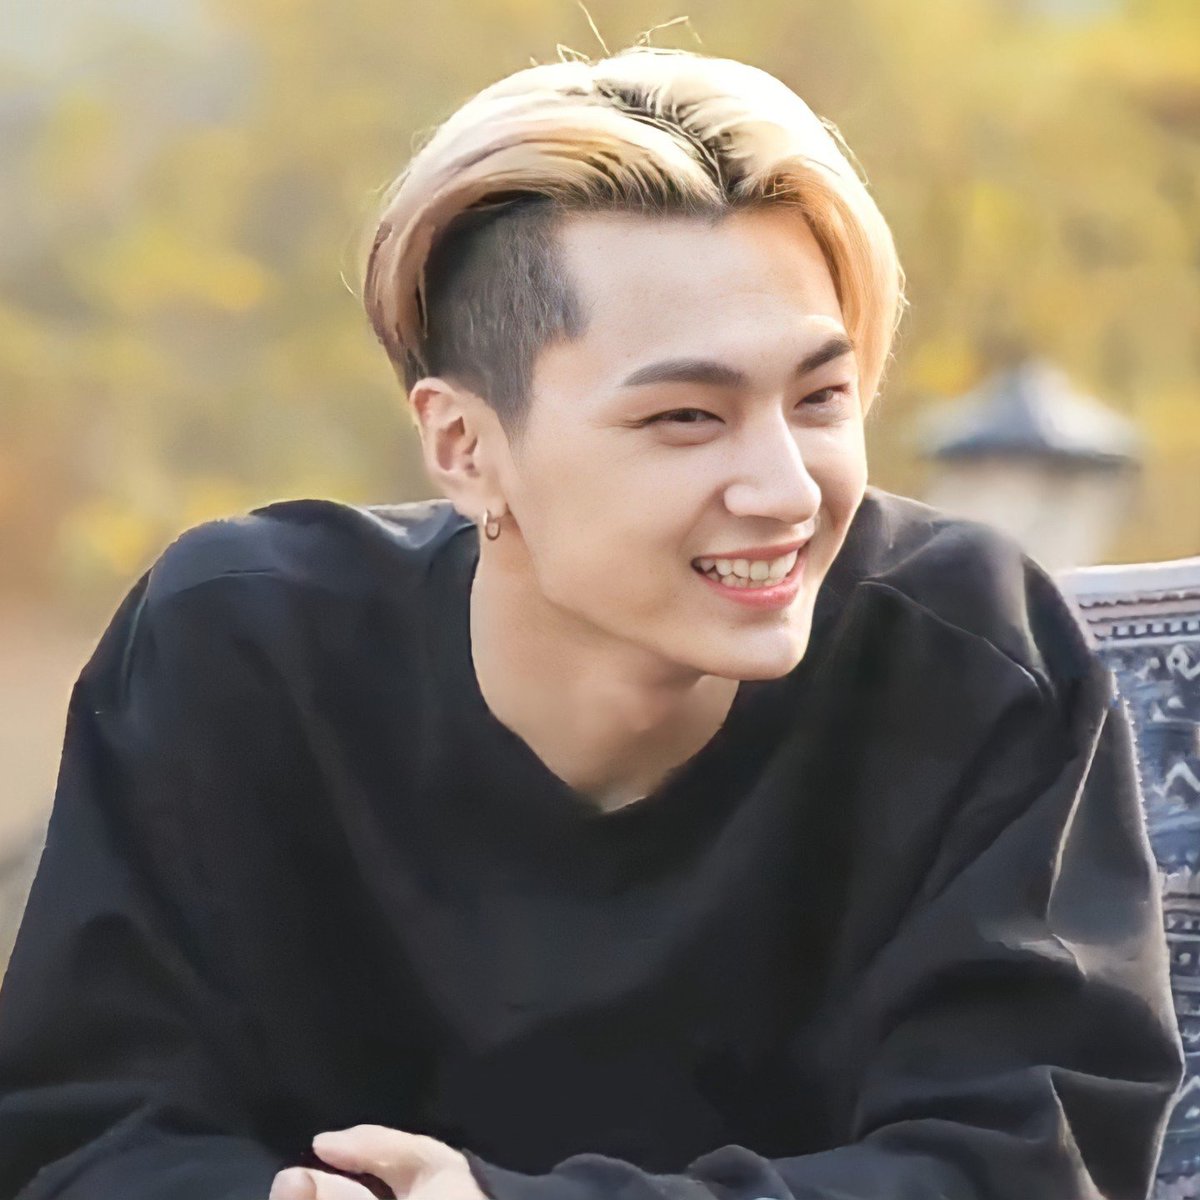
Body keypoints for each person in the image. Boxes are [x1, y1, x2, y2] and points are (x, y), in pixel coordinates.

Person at [0, 43, 1184, 1200]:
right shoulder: (239, 652)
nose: (787, 489)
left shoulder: (969, 656)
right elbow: (80, 1135)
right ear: (465, 446)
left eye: (821, 398)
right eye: (686, 417)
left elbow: (1029, 1164)